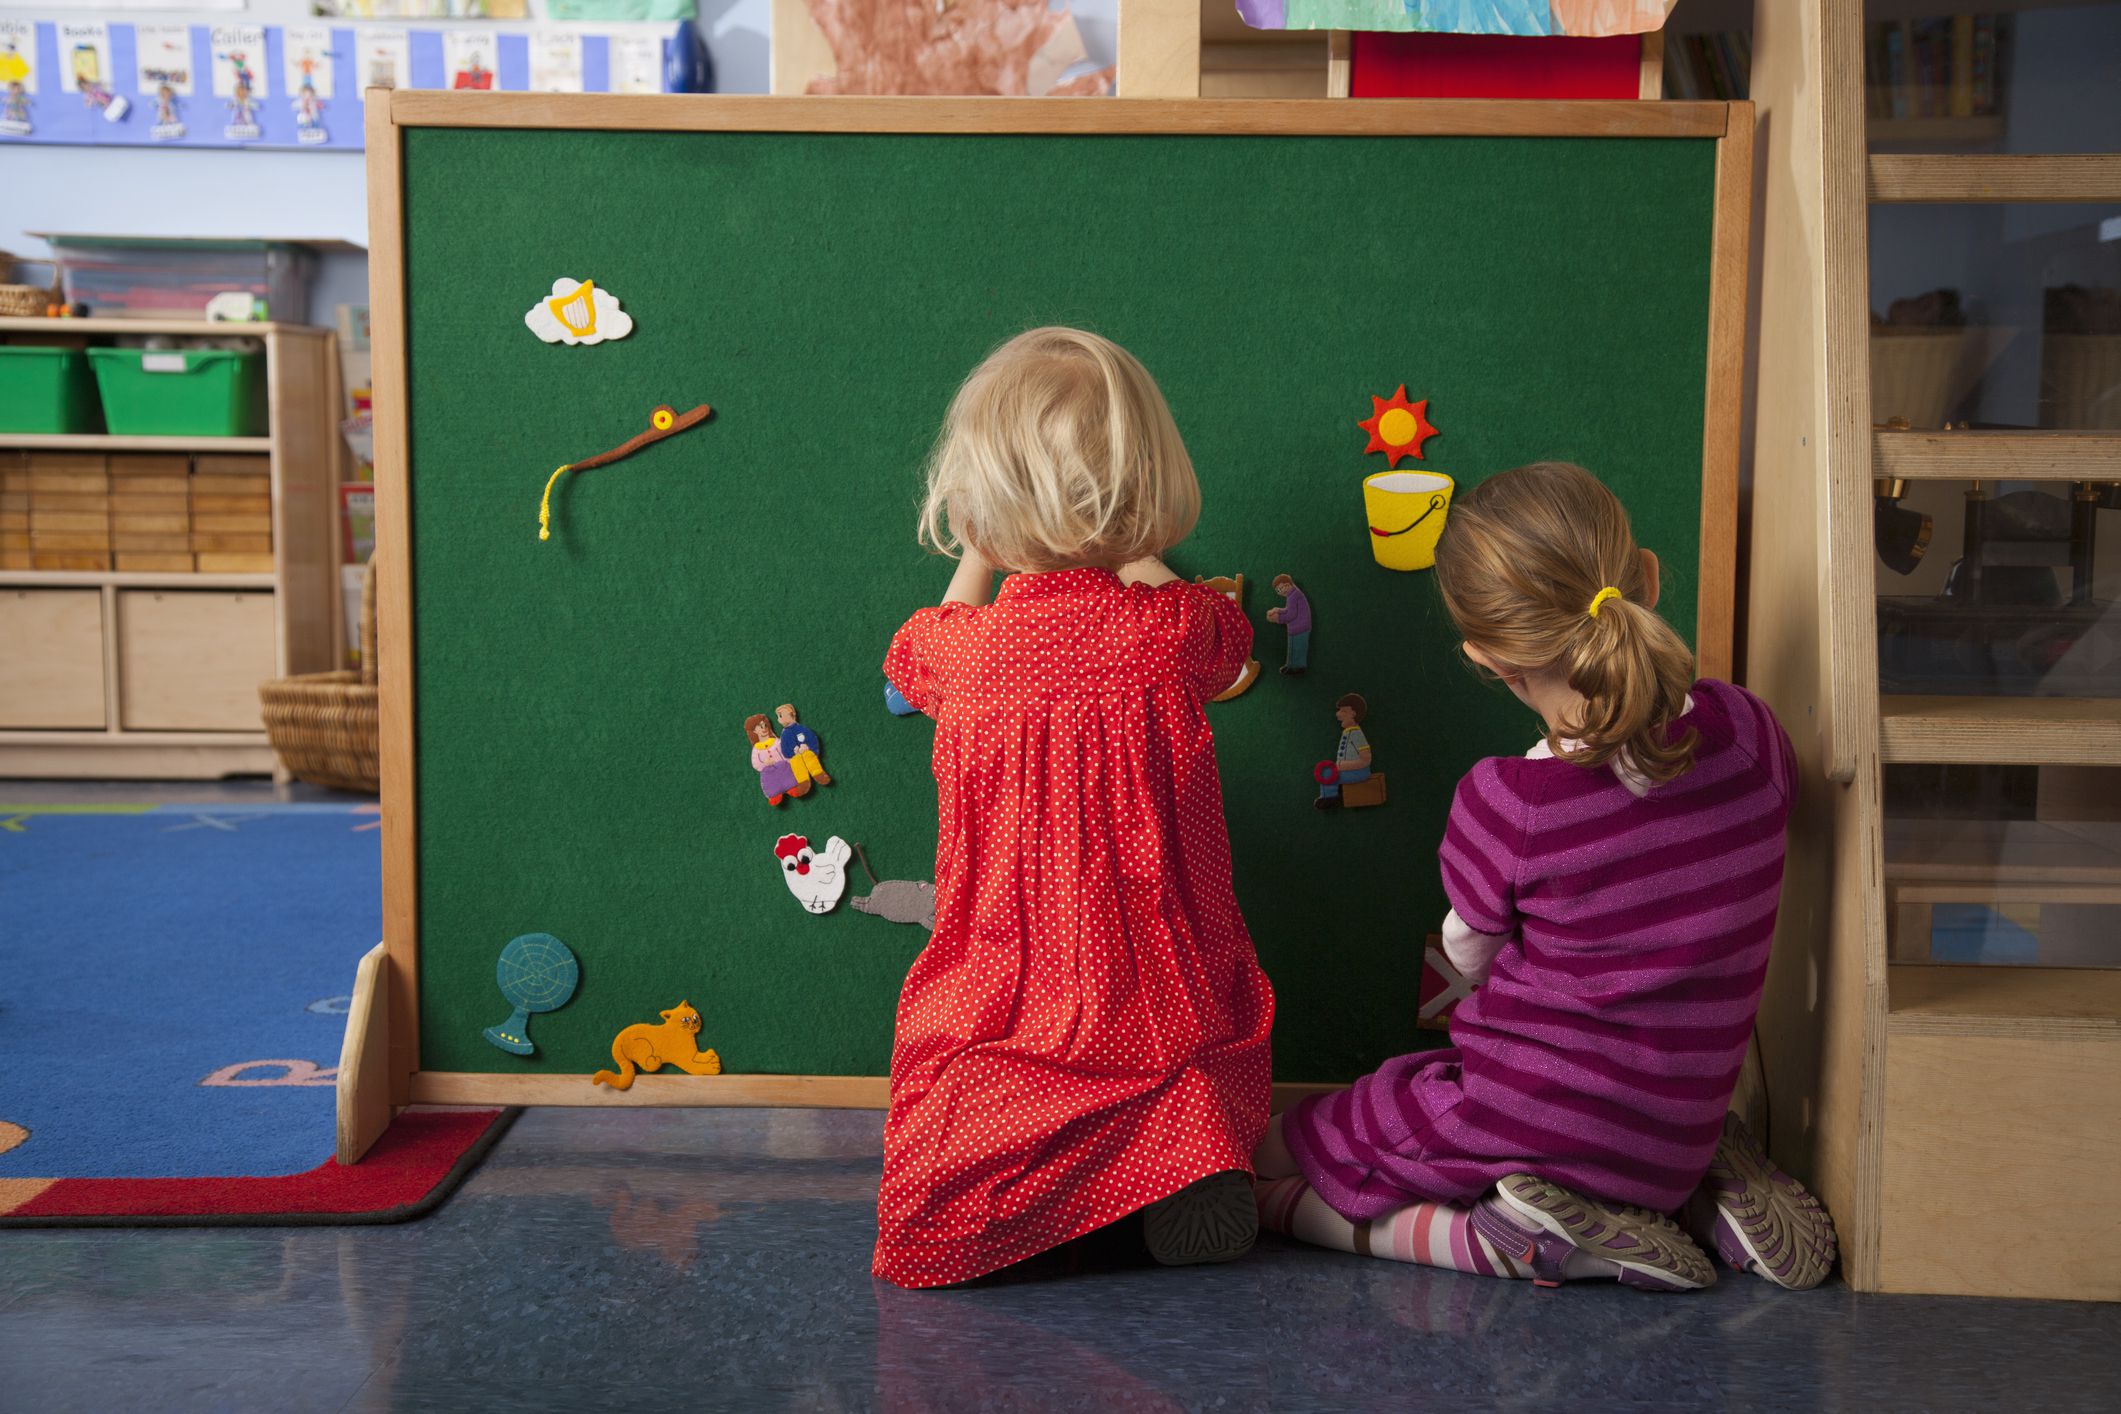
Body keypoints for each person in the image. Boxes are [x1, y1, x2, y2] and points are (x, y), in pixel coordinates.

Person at [1256, 461, 1836, 1293]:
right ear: (1644, 576)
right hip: (1679, 1116)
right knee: (1566, 1124)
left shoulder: (1512, 799)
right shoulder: (1747, 729)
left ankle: (1524, 1236)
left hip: (1535, 1114)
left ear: (1488, 660)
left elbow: (1470, 957)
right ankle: (1701, 1197)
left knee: (1320, 1135)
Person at [876, 327, 1275, 1289]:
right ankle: (1177, 1175)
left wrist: (981, 553)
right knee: (1181, 1062)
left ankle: (1019, 1204)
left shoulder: (960, 652)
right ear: (1144, 487)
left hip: (1009, 965)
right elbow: (1229, 644)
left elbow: (908, 658)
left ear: (977, 497)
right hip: (1151, 960)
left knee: (965, 1082)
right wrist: (1133, 552)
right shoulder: (1173, 627)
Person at [1314, 693, 1372, 810]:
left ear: (1353, 714)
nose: (1338, 714)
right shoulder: (1349, 731)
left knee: (1329, 774)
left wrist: (1343, 765)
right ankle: (1329, 795)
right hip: (1352, 770)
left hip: (1359, 772)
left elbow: (1366, 759)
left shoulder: (1357, 735)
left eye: (1343, 712)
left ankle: (1330, 799)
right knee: (1326, 770)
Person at [746, 713, 804, 806]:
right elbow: (756, 763)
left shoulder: (776, 742)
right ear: (754, 730)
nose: (764, 728)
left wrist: (789, 759)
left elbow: (784, 750)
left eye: (765, 725)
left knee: (789, 775)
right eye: (760, 726)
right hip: (770, 772)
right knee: (770, 782)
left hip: (784, 767)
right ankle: (774, 795)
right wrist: (765, 763)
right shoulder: (756, 749)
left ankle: (792, 787)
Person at [775, 703, 831, 789]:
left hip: (807, 754)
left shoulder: (802, 729)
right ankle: (803, 782)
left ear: (790, 714)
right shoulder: (784, 734)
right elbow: (784, 749)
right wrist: (793, 752)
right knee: (795, 762)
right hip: (795, 758)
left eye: (780, 716)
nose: (778, 719)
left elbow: (812, 739)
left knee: (808, 755)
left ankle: (819, 774)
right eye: (778, 716)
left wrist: (808, 747)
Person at [1266, 573, 1311, 675]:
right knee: (1293, 647)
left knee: (1297, 648)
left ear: (1288, 585)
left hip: (1300, 627)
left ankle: (1298, 667)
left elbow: (1291, 615)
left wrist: (1277, 618)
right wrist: (1278, 610)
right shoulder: (1293, 594)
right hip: (1297, 627)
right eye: (1278, 590)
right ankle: (1290, 665)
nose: (1280, 591)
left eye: (1281, 588)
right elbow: (1289, 610)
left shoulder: (1293, 596)